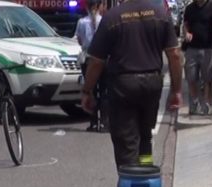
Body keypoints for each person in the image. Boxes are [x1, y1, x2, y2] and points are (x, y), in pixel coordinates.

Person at [82, 0, 183, 168]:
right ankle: (146, 173)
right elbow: (174, 55)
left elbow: (96, 61)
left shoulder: (112, 17)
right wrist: (176, 90)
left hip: (123, 86)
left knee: (126, 143)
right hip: (152, 83)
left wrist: (87, 91)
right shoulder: (160, 14)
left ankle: (131, 180)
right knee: (145, 135)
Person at [183, 0, 212, 115]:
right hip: (192, 48)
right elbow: (185, 24)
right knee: (191, 77)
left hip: (208, 48)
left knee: (208, 78)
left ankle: (206, 103)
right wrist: (186, 33)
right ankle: (194, 101)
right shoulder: (189, 8)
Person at [75, 0, 106, 132]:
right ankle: (104, 122)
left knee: (90, 91)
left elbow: (79, 40)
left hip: (87, 59)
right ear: (99, 6)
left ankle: (93, 122)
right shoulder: (104, 21)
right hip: (102, 59)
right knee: (104, 91)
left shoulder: (81, 22)